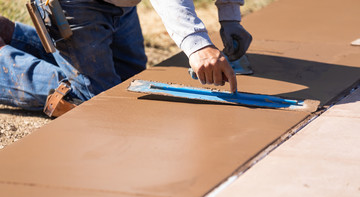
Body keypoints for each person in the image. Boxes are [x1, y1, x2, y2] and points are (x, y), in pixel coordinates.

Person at [0, 0, 252, 117]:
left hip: (120, 5)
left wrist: (230, 17)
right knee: (98, 101)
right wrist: (198, 46)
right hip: (74, 4)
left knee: (129, 79)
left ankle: (8, 35)